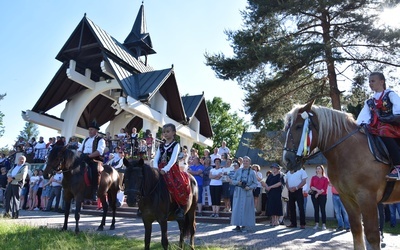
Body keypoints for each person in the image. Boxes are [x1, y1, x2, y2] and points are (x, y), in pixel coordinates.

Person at [356, 72, 400, 180]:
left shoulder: (390, 95)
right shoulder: (369, 102)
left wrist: (388, 120)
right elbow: (362, 118)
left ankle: (398, 167)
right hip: (375, 127)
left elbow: (398, 112)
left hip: (393, 126)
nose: (370, 83)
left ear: (382, 82)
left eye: (373, 81)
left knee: (383, 130)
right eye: (369, 81)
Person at [152, 123, 190, 220]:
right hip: (159, 168)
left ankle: (180, 208)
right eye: (164, 132)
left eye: (168, 131)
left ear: (174, 133)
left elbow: (173, 160)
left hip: (171, 169)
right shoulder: (161, 145)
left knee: (179, 184)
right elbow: (156, 158)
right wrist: (156, 168)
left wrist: (165, 169)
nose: (165, 134)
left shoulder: (176, 145)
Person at [77, 121, 106, 202]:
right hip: (84, 158)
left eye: (91, 129)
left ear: (96, 131)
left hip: (95, 159)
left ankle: (94, 191)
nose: (89, 131)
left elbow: (99, 151)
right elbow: (79, 150)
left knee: (94, 170)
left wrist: (89, 156)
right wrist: (81, 155)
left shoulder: (100, 140)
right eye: (89, 129)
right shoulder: (85, 139)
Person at [230, 156, 258, 233]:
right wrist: (238, 183)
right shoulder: (238, 171)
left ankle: (244, 225)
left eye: (247, 161)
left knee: (246, 209)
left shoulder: (252, 172)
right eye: (244, 161)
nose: (245, 162)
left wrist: (249, 187)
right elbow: (232, 180)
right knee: (237, 208)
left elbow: (255, 183)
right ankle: (237, 225)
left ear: (249, 163)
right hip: (238, 192)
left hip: (247, 193)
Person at [310, 165, 330, 230]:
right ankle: (316, 224)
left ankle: (324, 224)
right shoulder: (313, 177)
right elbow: (311, 186)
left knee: (322, 209)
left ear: (322, 170)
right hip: (314, 195)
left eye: (319, 169)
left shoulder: (325, 178)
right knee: (316, 210)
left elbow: (325, 188)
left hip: (323, 195)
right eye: (317, 169)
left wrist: (318, 193)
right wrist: (317, 191)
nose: (318, 170)